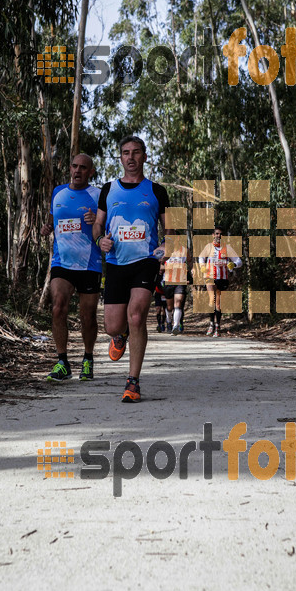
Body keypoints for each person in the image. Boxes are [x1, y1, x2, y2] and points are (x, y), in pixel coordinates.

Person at [92, 136, 169, 402]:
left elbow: (170, 231)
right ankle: (120, 335)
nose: (131, 157)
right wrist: (99, 239)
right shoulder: (108, 189)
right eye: (126, 153)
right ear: (121, 158)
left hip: (145, 262)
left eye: (136, 152)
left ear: (145, 156)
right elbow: (98, 226)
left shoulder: (157, 191)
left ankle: (133, 382)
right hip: (115, 262)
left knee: (137, 316)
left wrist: (165, 248)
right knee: (113, 325)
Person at [40, 154, 102, 382]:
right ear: (70, 168)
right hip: (62, 261)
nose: (77, 171)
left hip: (89, 263)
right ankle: (62, 362)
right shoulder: (58, 192)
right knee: (58, 307)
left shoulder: (97, 195)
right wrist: (46, 228)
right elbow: (52, 220)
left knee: (88, 316)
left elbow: (107, 225)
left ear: (90, 172)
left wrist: (97, 219)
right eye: (74, 166)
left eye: (83, 168)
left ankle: (88, 359)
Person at [199, 226, 242, 337]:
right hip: (209, 276)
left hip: (222, 278)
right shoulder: (208, 247)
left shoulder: (227, 248)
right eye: (217, 234)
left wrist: (234, 264)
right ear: (213, 235)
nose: (219, 236)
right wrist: (202, 266)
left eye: (221, 234)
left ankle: (217, 326)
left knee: (218, 303)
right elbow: (201, 257)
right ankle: (211, 324)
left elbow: (239, 261)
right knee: (211, 300)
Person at [162, 240, 192, 334]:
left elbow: (190, 263)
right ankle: (169, 322)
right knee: (170, 306)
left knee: (178, 303)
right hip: (168, 280)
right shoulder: (164, 250)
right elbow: (160, 266)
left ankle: (176, 326)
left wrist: (192, 272)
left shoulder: (185, 250)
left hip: (180, 280)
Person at [154, 263, 167, 332]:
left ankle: (163, 323)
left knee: (165, 310)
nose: (160, 271)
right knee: (158, 309)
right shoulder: (156, 276)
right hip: (158, 293)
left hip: (165, 293)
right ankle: (159, 324)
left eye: (162, 270)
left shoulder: (166, 275)